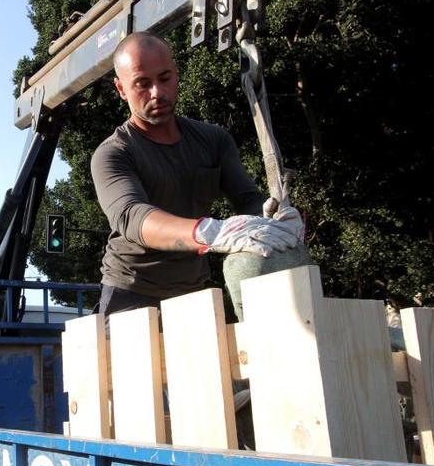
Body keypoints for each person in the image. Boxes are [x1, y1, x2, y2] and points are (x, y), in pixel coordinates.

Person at [91, 31, 303, 315]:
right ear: (121, 89)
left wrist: (274, 222)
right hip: (131, 292)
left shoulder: (214, 139)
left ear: (176, 74)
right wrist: (211, 231)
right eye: (142, 84)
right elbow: (133, 216)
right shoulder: (113, 153)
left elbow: (248, 199)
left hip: (193, 292)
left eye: (164, 78)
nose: (157, 92)